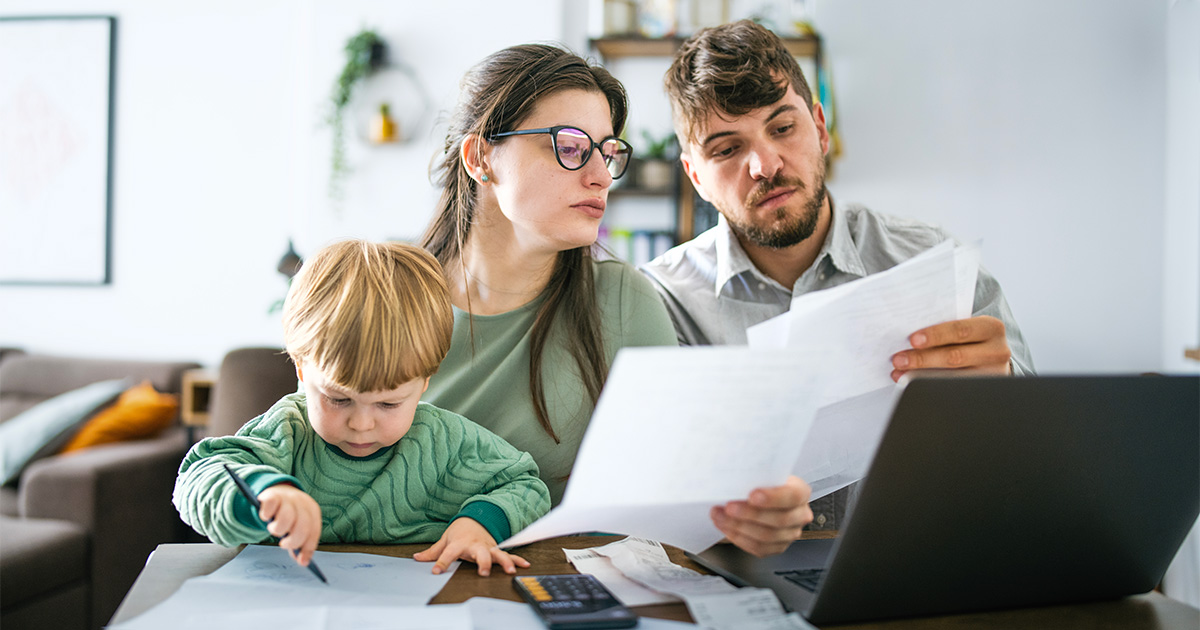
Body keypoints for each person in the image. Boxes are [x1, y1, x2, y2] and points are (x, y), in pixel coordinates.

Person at [420, 43, 815, 557]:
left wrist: (746, 509)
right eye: (570, 146)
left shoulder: (625, 301)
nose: (601, 176)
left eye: (606, 152)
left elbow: (672, 488)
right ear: (480, 158)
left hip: (550, 585)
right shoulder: (379, 293)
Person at [641, 20, 1036, 530]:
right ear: (696, 176)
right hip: (736, 580)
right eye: (726, 149)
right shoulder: (661, 299)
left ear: (821, 130)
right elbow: (658, 482)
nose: (764, 164)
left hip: (918, 560)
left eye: (783, 128)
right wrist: (720, 520)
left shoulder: (934, 262)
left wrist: (1003, 389)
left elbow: (1031, 448)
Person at [173, 239, 551, 577]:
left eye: (388, 403)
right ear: (302, 370)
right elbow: (197, 476)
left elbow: (525, 485)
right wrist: (262, 496)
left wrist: (480, 523)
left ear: (424, 382)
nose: (361, 423)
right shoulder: (288, 429)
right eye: (338, 398)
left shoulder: (444, 440)